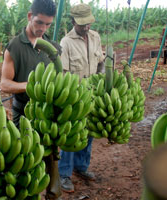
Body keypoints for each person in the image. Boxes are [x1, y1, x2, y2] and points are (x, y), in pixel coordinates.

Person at [58, 3, 104, 193]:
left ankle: (81, 167)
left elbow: (100, 62)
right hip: (75, 97)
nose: (87, 27)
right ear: (73, 21)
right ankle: (64, 174)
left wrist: (101, 78)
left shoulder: (95, 37)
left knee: (89, 133)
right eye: (83, 24)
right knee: (71, 135)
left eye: (88, 23)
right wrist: (76, 93)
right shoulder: (65, 42)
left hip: (93, 93)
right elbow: (64, 72)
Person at [0, 0, 60, 128]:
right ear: (29, 16)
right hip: (23, 113)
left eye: (48, 24)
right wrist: (31, 86)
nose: (43, 28)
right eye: (39, 22)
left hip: (48, 114)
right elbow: (4, 84)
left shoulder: (53, 48)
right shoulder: (15, 46)